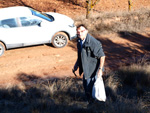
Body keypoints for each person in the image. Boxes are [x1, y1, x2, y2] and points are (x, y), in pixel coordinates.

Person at [72, 24, 106, 104]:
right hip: (86, 69)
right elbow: (81, 55)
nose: (80, 33)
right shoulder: (79, 41)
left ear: (86, 31)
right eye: (78, 32)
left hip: (94, 70)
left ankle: (96, 105)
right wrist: (76, 64)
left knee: (94, 90)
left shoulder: (93, 42)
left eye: (82, 31)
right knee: (87, 88)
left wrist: (100, 69)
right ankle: (91, 104)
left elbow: (102, 56)